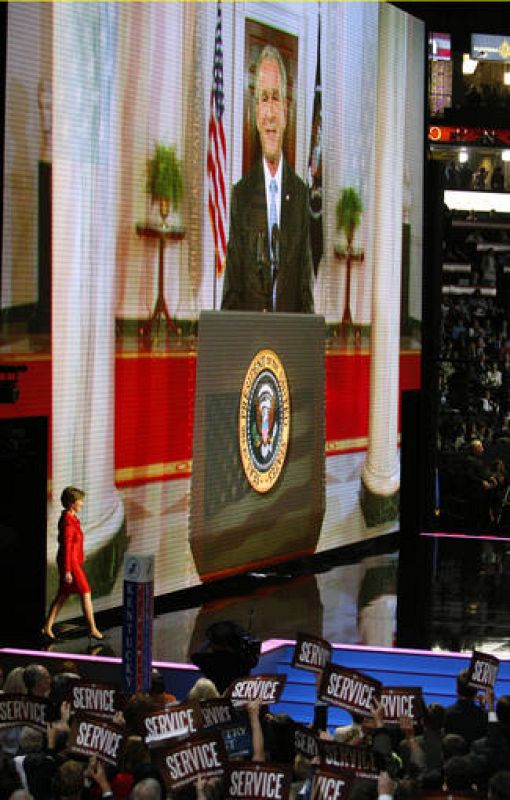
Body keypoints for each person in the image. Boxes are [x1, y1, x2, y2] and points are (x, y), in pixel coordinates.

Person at [221, 45, 314, 313]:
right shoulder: (241, 195)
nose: (270, 113)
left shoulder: (300, 195)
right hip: (251, 348)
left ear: (286, 110)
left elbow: (305, 293)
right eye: (263, 99)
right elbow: (232, 293)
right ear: (255, 114)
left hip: (287, 347)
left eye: (275, 98)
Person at [41, 486, 103, 641]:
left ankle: (47, 627)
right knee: (85, 592)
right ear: (71, 503)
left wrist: (81, 555)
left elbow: (75, 544)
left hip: (73, 561)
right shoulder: (68, 521)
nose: (82, 503)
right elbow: (67, 547)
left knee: (63, 594)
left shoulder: (72, 518)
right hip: (70, 563)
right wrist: (68, 570)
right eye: (79, 501)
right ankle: (93, 629)